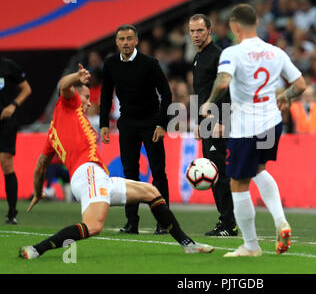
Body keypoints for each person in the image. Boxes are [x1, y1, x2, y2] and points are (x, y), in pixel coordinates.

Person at [19, 65, 213, 259]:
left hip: (97, 176)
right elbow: (63, 85)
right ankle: (36, 249)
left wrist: (37, 192)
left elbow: (40, 167)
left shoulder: (53, 133)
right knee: (93, 226)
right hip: (88, 174)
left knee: (152, 193)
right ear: (75, 95)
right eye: (86, 97)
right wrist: (76, 77)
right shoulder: (68, 106)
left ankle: (188, 244)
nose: (88, 102)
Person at [201, 4, 306, 257]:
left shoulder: (232, 52)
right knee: (259, 169)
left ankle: (251, 245)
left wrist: (208, 103)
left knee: (238, 182)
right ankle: (281, 221)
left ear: (236, 27)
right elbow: (300, 85)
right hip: (272, 122)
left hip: (246, 127)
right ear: (255, 24)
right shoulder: (275, 52)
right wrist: (286, 96)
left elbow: (224, 81)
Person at [100, 24, 172, 235]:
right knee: (129, 175)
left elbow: (166, 95)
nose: (126, 43)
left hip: (151, 124)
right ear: (117, 42)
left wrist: (162, 124)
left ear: (137, 40)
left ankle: (164, 223)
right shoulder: (111, 64)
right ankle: (132, 223)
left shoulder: (150, 63)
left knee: (158, 172)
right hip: (128, 124)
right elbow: (105, 95)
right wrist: (104, 123)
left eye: (129, 38)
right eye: (122, 39)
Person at [188, 14, 237, 236]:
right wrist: (199, 122)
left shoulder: (218, 56)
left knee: (219, 173)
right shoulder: (198, 58)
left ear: (210, 30)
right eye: (192, 31)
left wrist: (220, 121)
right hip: (207, 122)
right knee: (215, 172)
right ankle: (226, 221)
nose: (196, 35)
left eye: (200, 30)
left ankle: (229, 224)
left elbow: (226, 89)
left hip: (219, 121)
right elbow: (201, 94)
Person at [0, 56, 32, 224]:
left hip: (6, 122)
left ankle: (12, 212)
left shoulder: (7, 66)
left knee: (6, 163)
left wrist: (13, 105)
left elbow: (26, 89)